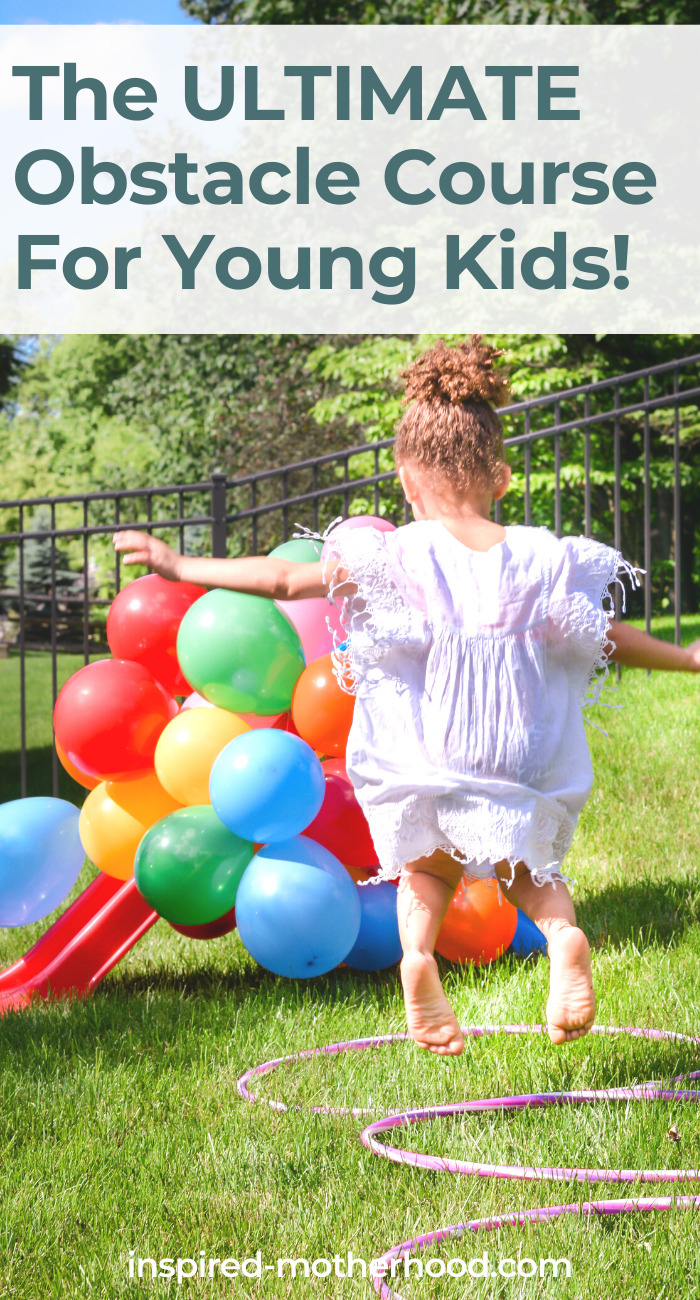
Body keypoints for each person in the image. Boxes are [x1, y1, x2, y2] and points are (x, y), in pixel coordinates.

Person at [113, 336, 700, 1059]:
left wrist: (178, 561)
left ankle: (416, 959)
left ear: (406, 478)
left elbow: (284, 581)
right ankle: (564, 936)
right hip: (516, 745)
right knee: (525, 867)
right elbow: (602, 632)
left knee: (427, 866)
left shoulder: (395, 554)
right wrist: (686, 659)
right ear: (503, 477)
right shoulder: (537, 555)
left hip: (435, 743)